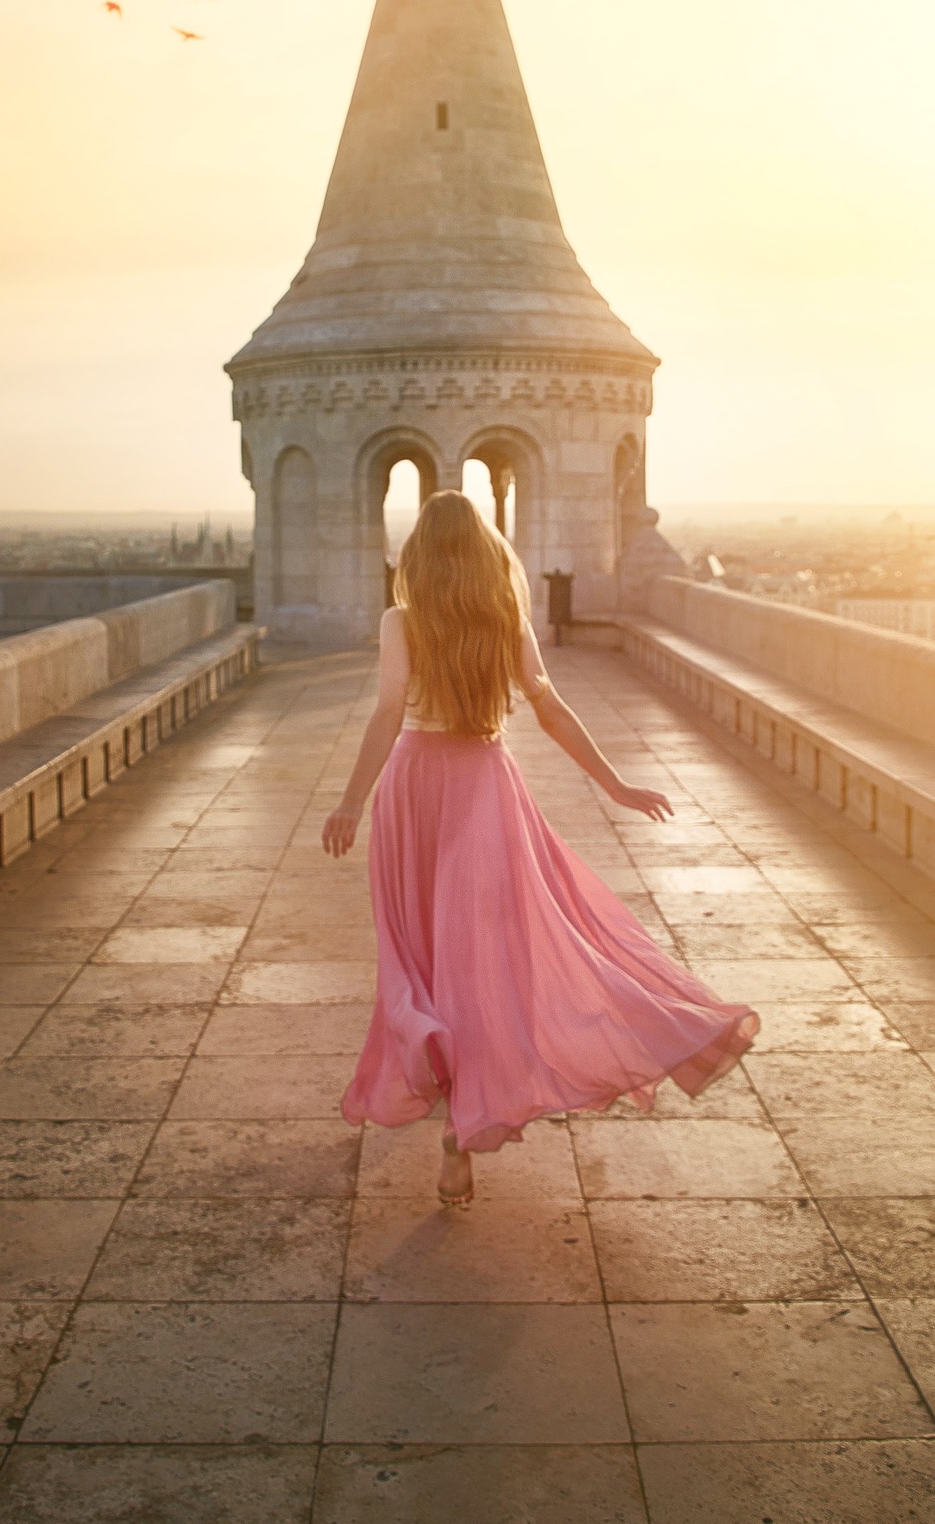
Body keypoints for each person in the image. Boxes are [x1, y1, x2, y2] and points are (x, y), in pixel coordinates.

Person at [323, 489, 759, 1206]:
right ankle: (459, 1132)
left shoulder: (399, 621)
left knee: (420, 955)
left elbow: (388, 712)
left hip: (412, 789)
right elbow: (549, 706)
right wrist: (613, 784)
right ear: (485, 551)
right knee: (482, 958)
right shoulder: (506, 619)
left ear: (419, 555)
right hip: (483, 787)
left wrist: (351, 801)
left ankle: (439, 1071)